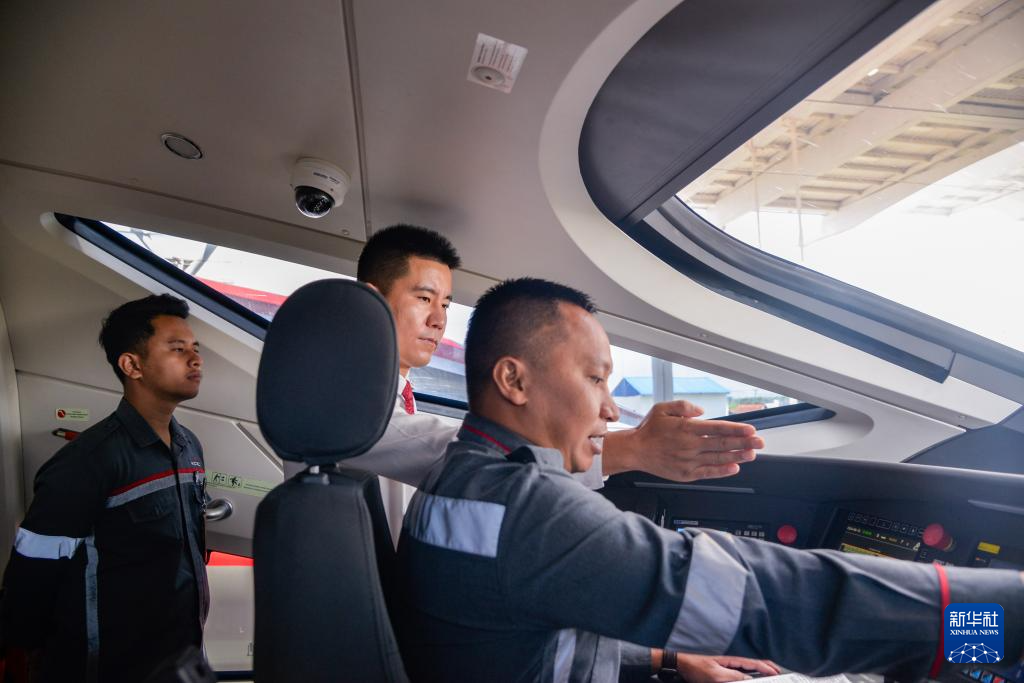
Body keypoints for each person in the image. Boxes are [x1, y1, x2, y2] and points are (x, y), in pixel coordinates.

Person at [395, 278, 1024, 683]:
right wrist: (997, 623)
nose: (611, 409)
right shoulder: (527, 512)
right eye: (595, 378)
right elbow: (775, 604)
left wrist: (669, 658)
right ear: (514, 381)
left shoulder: (459, 481)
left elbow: (530, 637)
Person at [343, 224, 766, 490]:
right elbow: (459, 454)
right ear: (372, 301)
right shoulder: (346, 408)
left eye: (447, 304)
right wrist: (633, 448)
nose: (438, 319)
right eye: (423, 298)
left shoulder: (389, 397)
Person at [0, 295, 209, 683]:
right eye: (178, 349)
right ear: (132, 365)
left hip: (179, 656)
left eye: (196, 350)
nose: (196, 360)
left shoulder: (188, 446)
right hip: (108, 666)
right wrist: (22, 653)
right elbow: (33, 572)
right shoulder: (90, 460)